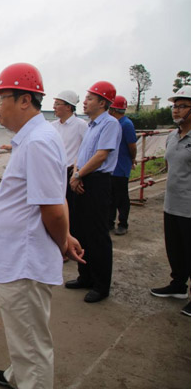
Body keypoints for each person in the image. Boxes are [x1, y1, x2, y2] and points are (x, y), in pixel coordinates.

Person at [0, 63, 85, 389]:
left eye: (1, 98)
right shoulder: (34, 138)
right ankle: (17, 376)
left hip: (23, 260)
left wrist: (62, 239)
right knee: (23, 333)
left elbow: (52, 209)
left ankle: (31, 382)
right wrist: (66, 235)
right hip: (17, 255)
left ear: (25, 100)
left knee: (30, 339)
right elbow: (54, 193)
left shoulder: (38, 141)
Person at [66, 81, 122, 303]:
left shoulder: (110, 124)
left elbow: (101, 156)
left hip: (97, 181)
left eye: (90, 98)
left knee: (97, 234)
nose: (85, 102)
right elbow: (81, 154)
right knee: (81, 231)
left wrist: (79, 175)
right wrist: (76, 173)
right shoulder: (90, 126)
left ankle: (101, 285)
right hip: (82, 178)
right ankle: (85, 276)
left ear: (102, 102)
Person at [150, 85, 191, 317]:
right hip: (172, 203)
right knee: (175, 249)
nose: (176, 110)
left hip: (190, 206)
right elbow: (171, 166)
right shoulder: (172, 137)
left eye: (183, 106)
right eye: (174, 106)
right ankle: (178, 286)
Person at [52, 90, 88, 235]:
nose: (54, 107)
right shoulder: (53, 126)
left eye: (57, 104)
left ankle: (71, 239)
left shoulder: (81, 125)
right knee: (57, 208)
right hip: (56, 172)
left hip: (72, 172)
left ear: (68, 107)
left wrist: (78, 174)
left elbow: (86, 150)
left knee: (72, 209)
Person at [109, 95, 137, 235]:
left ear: (114, 110)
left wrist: (132, 159)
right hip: (111, 167)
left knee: (121, 197)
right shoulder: (114, 123)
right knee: (110, 197)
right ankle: (109, 222)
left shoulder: (126, 125)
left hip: (121, 167)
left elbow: (132, 146)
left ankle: (123, 223)